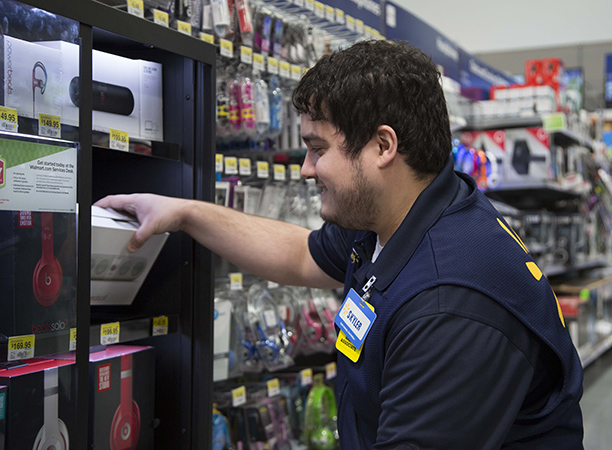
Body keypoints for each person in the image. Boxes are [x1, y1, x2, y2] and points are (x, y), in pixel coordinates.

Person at [97, 40, 584, 449]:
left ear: (382, 146)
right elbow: (299, 253)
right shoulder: (399, 215)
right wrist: (185, 213)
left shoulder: (449, 306)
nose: (306, 169)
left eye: (317, 149)